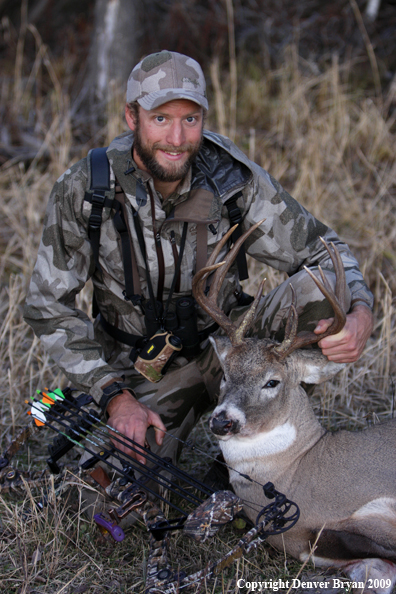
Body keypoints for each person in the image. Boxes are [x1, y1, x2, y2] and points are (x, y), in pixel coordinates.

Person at [24, 50, 374, 469]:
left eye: (190, 119)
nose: (176, 139)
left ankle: (260, 454)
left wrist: (360, 310)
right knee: (107, 490)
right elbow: (47, 307)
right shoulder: (88, 190)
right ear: (131, 117)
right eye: (160, 119)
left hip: (237, 346)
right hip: (143, 371)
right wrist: (114, 396)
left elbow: (323, 250)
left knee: (321, 289)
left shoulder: (230, 177)